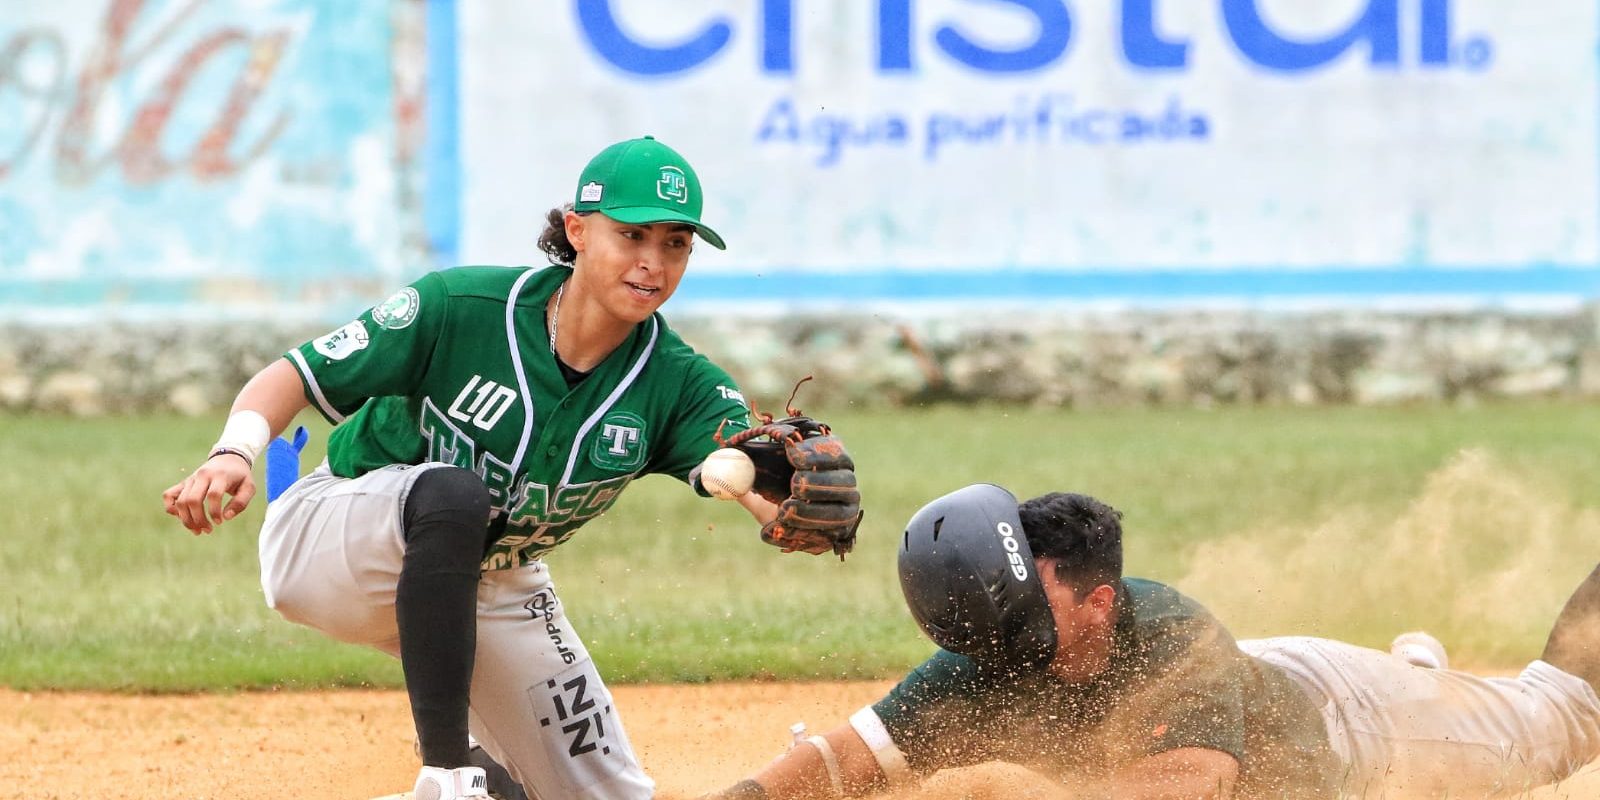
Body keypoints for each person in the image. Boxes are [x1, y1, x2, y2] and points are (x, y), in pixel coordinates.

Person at [162, 136, 862, 800]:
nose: (654, 261)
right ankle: (448, 775)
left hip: (494, 580)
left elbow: (747, 463)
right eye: (633, 235)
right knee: (453, 494)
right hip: (334, 535)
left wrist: (796, 509)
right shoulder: (461, 307)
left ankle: (490, 783)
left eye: (675, 244)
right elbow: (297, 373)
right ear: (578, 230)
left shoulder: (677, 382)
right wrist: (234, 452)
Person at [709, 484, 1600, 799]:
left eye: (1021, 622)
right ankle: (1423, 666)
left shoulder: (1173, 641)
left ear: (1095, 604)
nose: (998, 652)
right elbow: (842, 760)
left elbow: (1189, 786)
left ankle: (1419, 683)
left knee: (1562, 720)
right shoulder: (1000, 649)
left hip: (1358, 727)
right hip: (1262, 689)